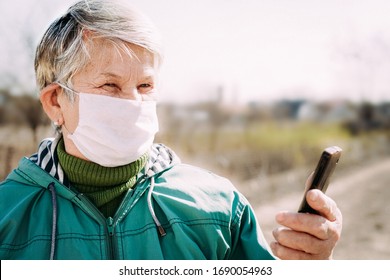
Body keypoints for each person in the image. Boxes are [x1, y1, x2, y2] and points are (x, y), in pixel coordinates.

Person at [0, 0, 342, 260]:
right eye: (110, 86)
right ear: (56, 101)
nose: (133, 102)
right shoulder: (9, 216)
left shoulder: (218, 207)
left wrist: (307, 265)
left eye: (145, 85)